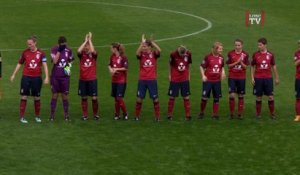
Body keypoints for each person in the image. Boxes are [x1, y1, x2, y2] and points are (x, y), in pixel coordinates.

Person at [10, 35, 49, 123]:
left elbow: (45, 65)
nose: (29, 45)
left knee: (37, 97)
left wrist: (47, 77)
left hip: (37, 78)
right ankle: (22, 117)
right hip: (26, 77)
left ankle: (37, 116)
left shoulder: (41, 53)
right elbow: (19, 64)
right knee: (24, 96)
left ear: (35, 43)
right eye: (28, 44)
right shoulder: (25, 53)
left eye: (30, 44)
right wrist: (13, 74)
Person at [251, 37, 279, 119]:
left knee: (270, 96)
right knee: (258, 96)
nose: (258, 46)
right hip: (258, 78)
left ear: (265, 45)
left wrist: (277, 78)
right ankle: (258, 114)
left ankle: (272, 114)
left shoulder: (270, 55)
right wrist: (252, 77)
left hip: (268, 78)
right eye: (258, 45)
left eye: (260, 45)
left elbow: (274, 66)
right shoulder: (255, 54)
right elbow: (252, 66)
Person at [135, 34, 161, 121]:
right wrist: (142, 43)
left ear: (149, 47)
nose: (143, 48)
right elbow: (137, 53)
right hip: (142, 79)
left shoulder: (154, 54)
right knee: (139, 99)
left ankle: (157, 117)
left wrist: (153, 43)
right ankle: (137, 116)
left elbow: (159, 50)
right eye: (143, 46)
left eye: (145, 46)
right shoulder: (141, 54)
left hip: (151, 79)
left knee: (155, 99)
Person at [199, 42, 226, 120]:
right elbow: (201, 66)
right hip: (208, 81)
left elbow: (222, 66)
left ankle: (215, 114)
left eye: (222, 49)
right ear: (215, 49)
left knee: (216, 98)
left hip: (217, 81)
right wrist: (203, 75)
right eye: (220, 49)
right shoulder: (208, 57)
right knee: (204, 97)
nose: (221, 50)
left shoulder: (221, 58)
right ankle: (201, 112)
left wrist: (223, 72)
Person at [49, 36, 73, 121]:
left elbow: (70, 61)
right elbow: (54, 61)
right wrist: (59, 51)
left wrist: (68, 70)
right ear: (58, 44)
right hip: (55, 76)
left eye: (65, 45)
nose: (64, 46)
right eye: (62, 45)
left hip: (65, 77)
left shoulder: (69, 50)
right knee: (54, 95)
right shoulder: (54, 49)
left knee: (65, 96)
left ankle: (66, 115)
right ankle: (52, 115)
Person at [77, 32, 99, 120]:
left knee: (94, 98)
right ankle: (85, 115)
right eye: (85, 46)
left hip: (92, 79)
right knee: (84, 97)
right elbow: (78, 50)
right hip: (83, 79)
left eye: (87, 46)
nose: (86, 47)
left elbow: (93, 51)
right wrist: (85, 40)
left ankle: (95, 114)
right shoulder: (81, 54)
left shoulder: (94, 55)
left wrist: (90, 40)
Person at [167, 45, 192, 121]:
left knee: (186, 97)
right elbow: (170, 64)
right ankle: (169, 114)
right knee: (172, 97)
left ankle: (188, 115)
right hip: (175, 79)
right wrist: (170, 74)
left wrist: (189, 75)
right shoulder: (173, 54)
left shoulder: (188, 54)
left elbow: (189, 64)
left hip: (184, 78)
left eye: (184, 54)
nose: (183, 56)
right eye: (181, 55)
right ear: (178, 52)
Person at [226, 39, 249, 119]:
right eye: (236, 45)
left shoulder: (245, 54)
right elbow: (228, 65)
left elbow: (246, 67)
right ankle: (232, 113)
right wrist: (236, 62)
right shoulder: (230, 53)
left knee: (241, 95)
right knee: (232, 95)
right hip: (232, 77)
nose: (237, 47)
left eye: (239, 45)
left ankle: (240, 114)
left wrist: (241, 63)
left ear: (242, 45)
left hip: (241, 77)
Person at [108, 43, 128, 120]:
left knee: (119, 98)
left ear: (115, 49)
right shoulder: (112, 56)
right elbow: (109, 64)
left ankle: (125, 113)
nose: (110, 50)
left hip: (121, 80)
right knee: (116, 99)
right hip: (114, 80)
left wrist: (116, 69)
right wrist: (110, 69)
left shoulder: (123, 57)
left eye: (111, 48)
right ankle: (117, 114)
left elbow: (125, 68)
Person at [293, 40, 300, 121]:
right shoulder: (297, 53)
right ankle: (298, 115)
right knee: (298, 98)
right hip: (299, 78)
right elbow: (296, 64)